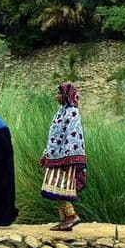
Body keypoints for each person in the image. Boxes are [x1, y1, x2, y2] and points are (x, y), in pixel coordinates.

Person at [39, 82, 87, 231]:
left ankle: (72, 216)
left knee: (61, 187)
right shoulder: (61, 112)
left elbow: (73, 137)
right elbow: (54, 136)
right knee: (55, 187)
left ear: (67, 95)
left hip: (66, 158)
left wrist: (67, 158)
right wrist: (46, 153)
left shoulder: (72, 112)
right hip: (56, 156)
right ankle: (64, 220)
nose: (57, 96)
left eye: (59, 94)